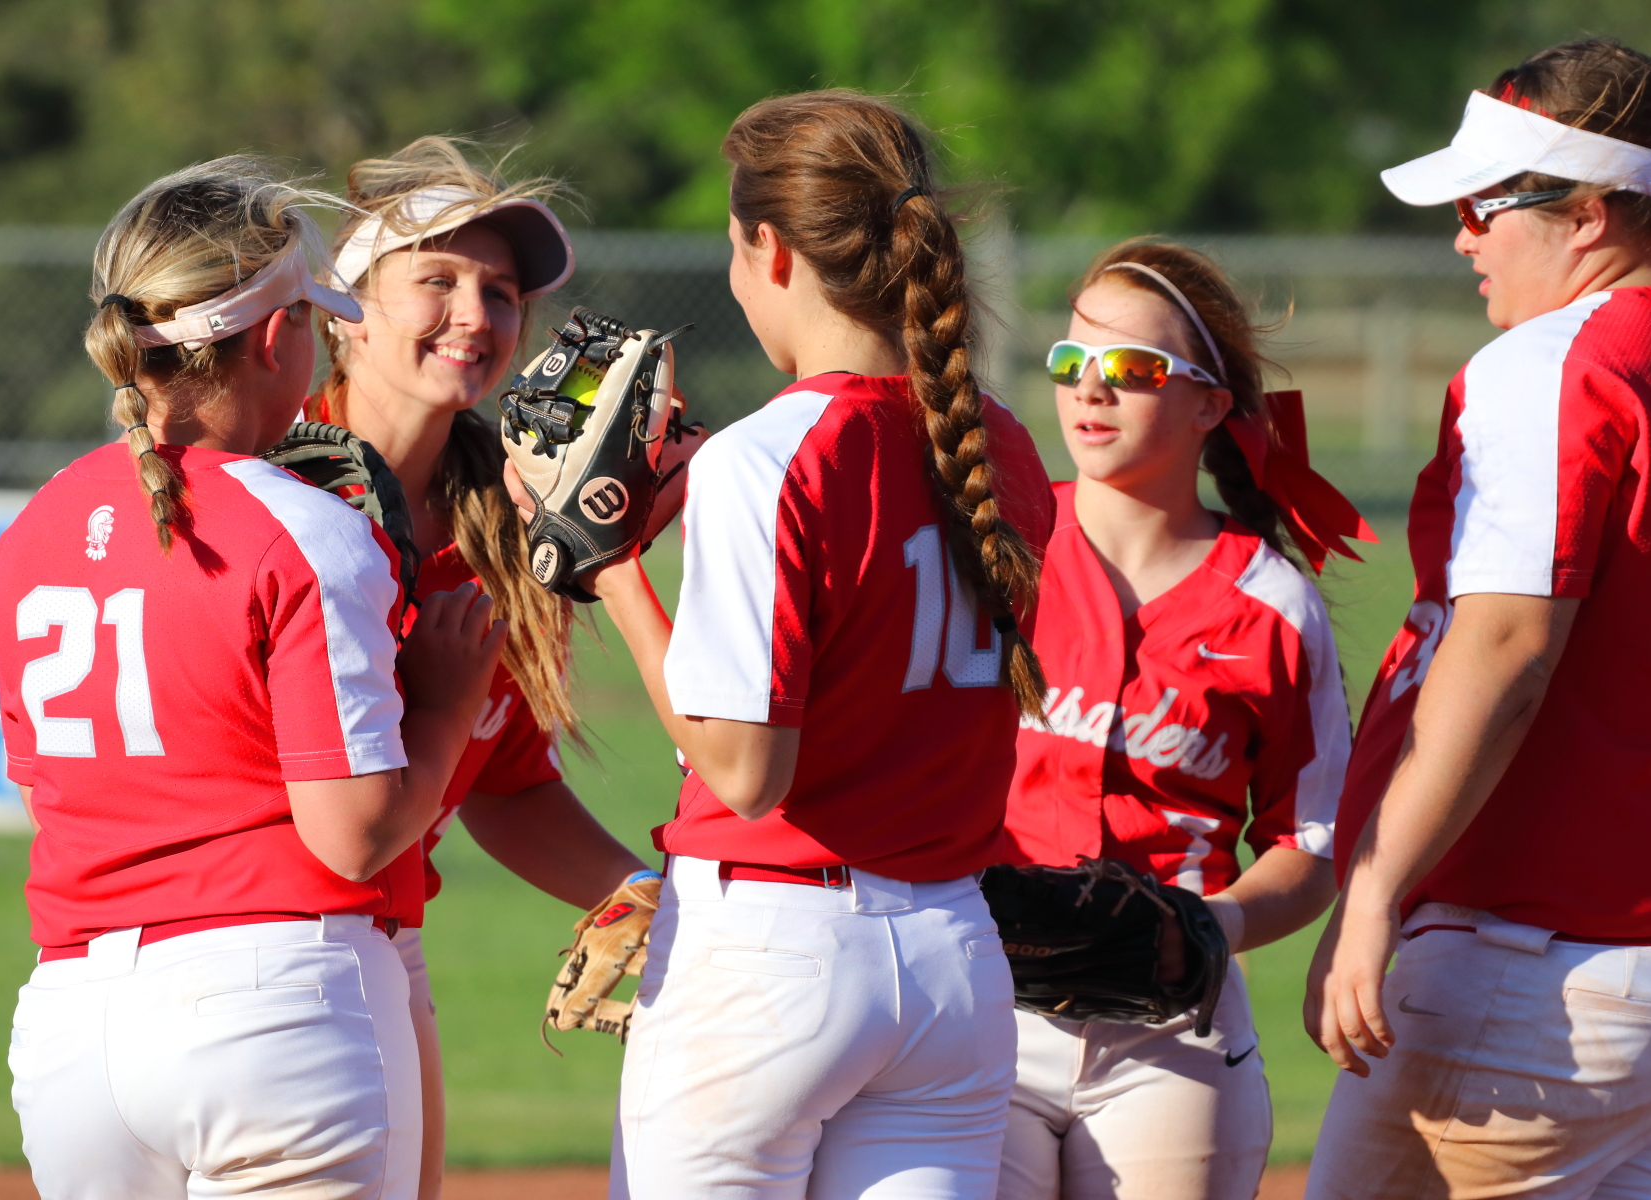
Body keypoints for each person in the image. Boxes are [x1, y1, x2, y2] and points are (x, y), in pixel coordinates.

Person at [551, 90, 1054, 1199]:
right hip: (951, 959)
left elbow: (745, 772)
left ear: (770, 249)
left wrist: (616, 568)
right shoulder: (1002, 446)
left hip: (774, 951)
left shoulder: (768, 454)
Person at [1304, 39, 1651, 1198]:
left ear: (1598, 214)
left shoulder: (1559, 360)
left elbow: (1505, 649)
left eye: (1485, 203)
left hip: (1550, 960)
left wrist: (1374, 887)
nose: (1462, 234)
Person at [0, 157, 505, 1199]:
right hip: (271, 1001)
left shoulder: (35, 523)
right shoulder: (306, 528)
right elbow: (353, 834)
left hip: (69, 1026)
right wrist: (448, 704)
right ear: (276, 338)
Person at [313, 135, 651, 1200]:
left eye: (500, 292)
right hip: (251, 939)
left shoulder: (506, 531)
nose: (476, 313)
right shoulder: (275, 492)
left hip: (383, 941)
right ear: (342, 312)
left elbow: (503, 786)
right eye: (438, 280)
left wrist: (648, 897)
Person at [996, 240, 1362, 1200]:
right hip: (984, 1010)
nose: (1093, 390)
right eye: (1073, 364)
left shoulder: (1272, 604)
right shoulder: (999, 554)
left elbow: (1310, 845)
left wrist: (1209, 925)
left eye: (1135, 370)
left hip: (1171, 1032)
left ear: (1210, 405)